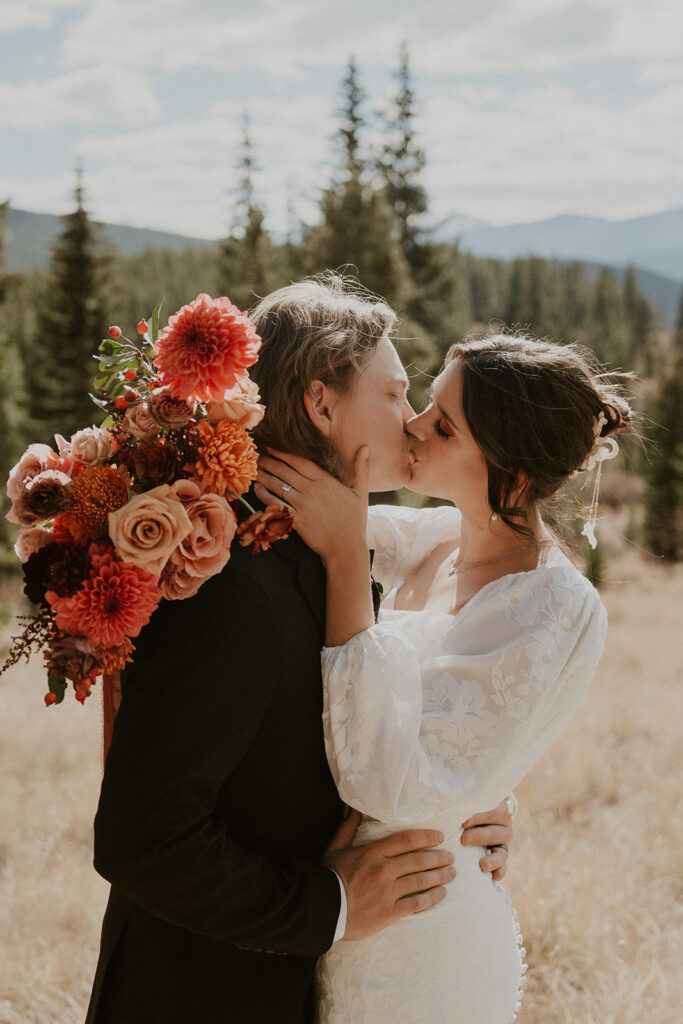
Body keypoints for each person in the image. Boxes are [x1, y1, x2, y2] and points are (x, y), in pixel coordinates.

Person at [84, 279, 514, 1024]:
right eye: (393, 394)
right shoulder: (231, 581)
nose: (412, 422)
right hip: (201, 995)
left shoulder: (323, 553)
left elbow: (355, 732)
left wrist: (465, 800)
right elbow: (141, 839)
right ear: (319, 403)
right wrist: (334, 903)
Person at [256, 332, 630, 1023]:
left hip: (427, 935)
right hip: (345, 918)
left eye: (443, 426)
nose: (414, 427)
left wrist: (344, 563)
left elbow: (391, 786)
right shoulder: (427, 542)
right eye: (426, 403)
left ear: (511, 476)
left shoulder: (552, 603)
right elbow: (303, 509)